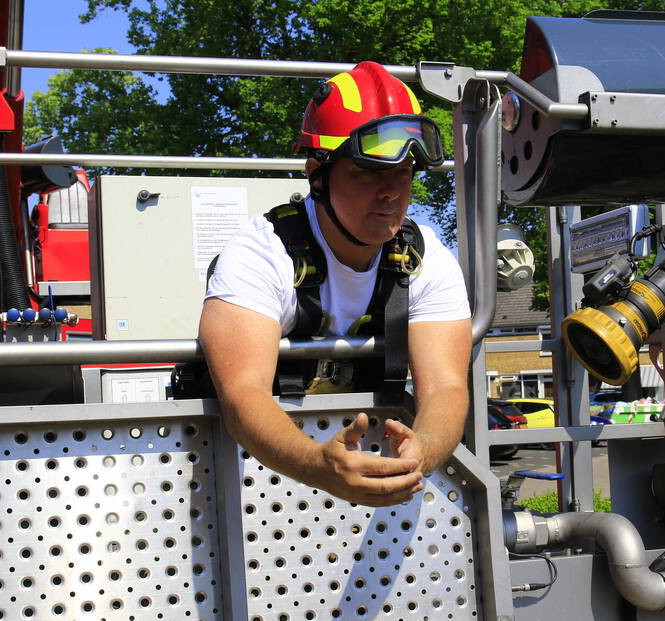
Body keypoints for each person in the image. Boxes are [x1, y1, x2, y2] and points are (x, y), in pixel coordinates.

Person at [198, 62, 471, 507]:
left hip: (387, 492)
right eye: (366, 172)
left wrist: (423, 451)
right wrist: (319, 466)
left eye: (403, 173)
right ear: (317, 173)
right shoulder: (258, 255)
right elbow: (243, 394)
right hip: (250, 489)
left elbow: (445, 388)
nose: (390, 192)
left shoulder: (426, 258)